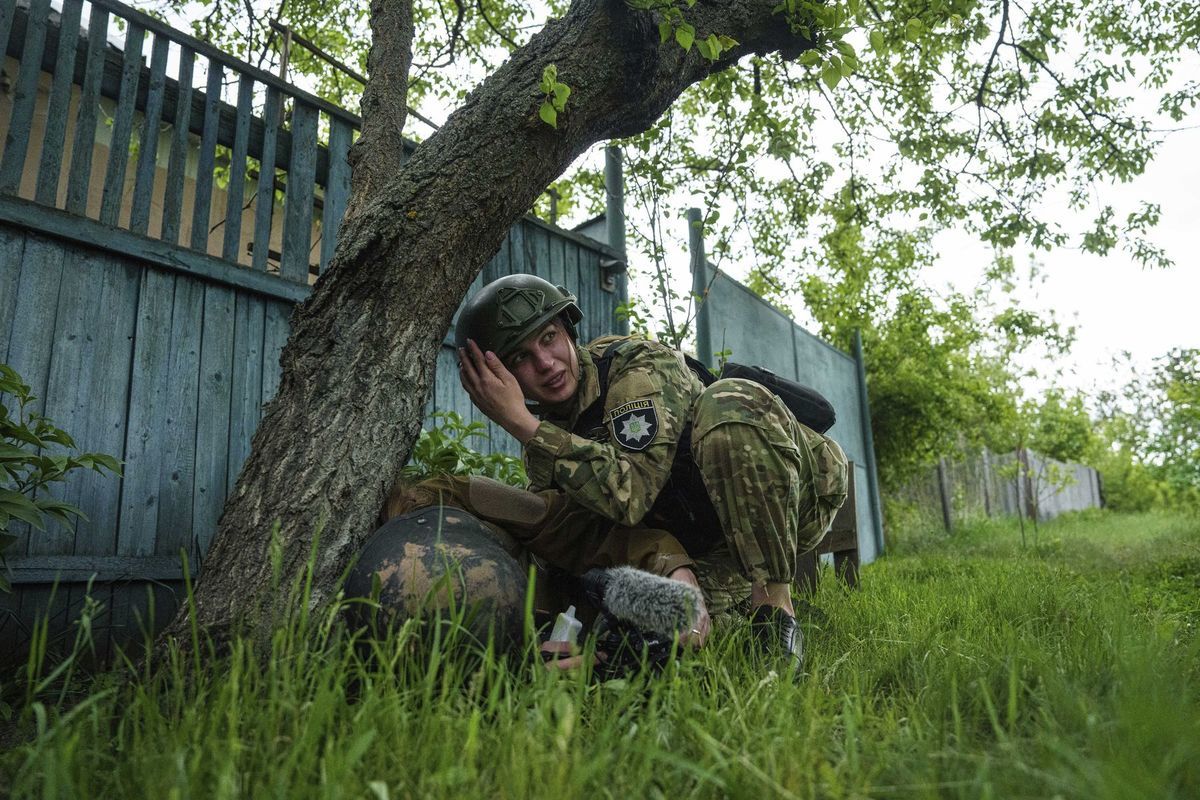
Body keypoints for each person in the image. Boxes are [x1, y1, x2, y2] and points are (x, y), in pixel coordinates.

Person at [387, 274, 848, 673]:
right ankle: (745, 609)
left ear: (568, 330)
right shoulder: (548, 442)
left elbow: (632, 494)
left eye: (548, 339)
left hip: (795, 493)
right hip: (712, 537)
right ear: (500, 378)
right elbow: (584, 539)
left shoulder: (633, 369)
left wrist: (521, 424)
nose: (545, 364)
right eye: (521, 359)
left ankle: (775, 611)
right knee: (675, 626)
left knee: (728, 405)